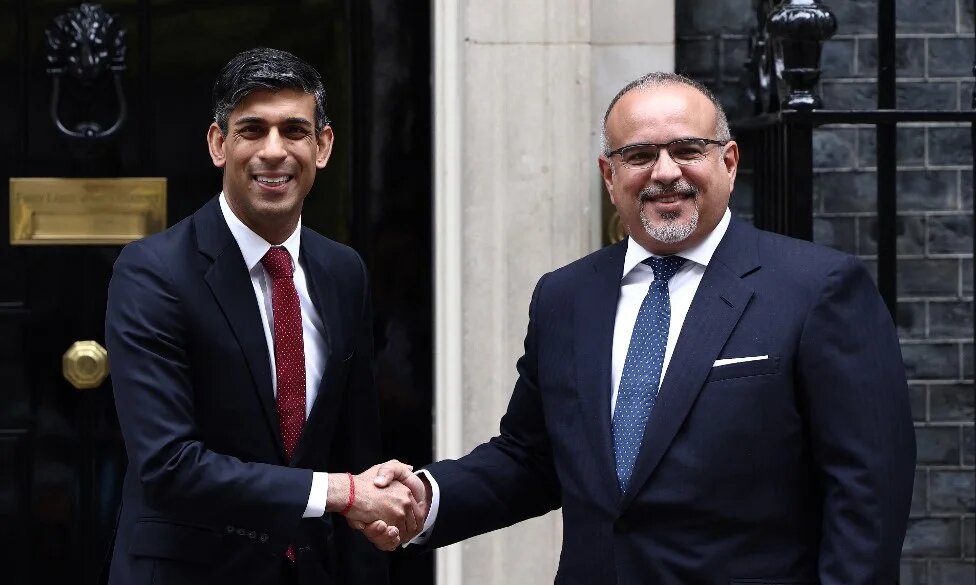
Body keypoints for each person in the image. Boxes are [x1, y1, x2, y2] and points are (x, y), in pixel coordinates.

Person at [370, 72, 917, 584]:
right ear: (610, 175)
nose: (664, 172)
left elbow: (868, 490)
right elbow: (531, 457)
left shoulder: (817, 288)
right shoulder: (566, 296)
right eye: (639, 155)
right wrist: (426, 497)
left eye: (686, 150)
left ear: (729, 161)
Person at [105, 47, 424, 585]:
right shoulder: (153, 272)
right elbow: (168, 465)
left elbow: (357, 448)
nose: (273, 151)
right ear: (218, 144)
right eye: (252, 129)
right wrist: (341, 491)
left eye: (294, 131)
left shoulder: (344, 272)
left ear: (322, 146)